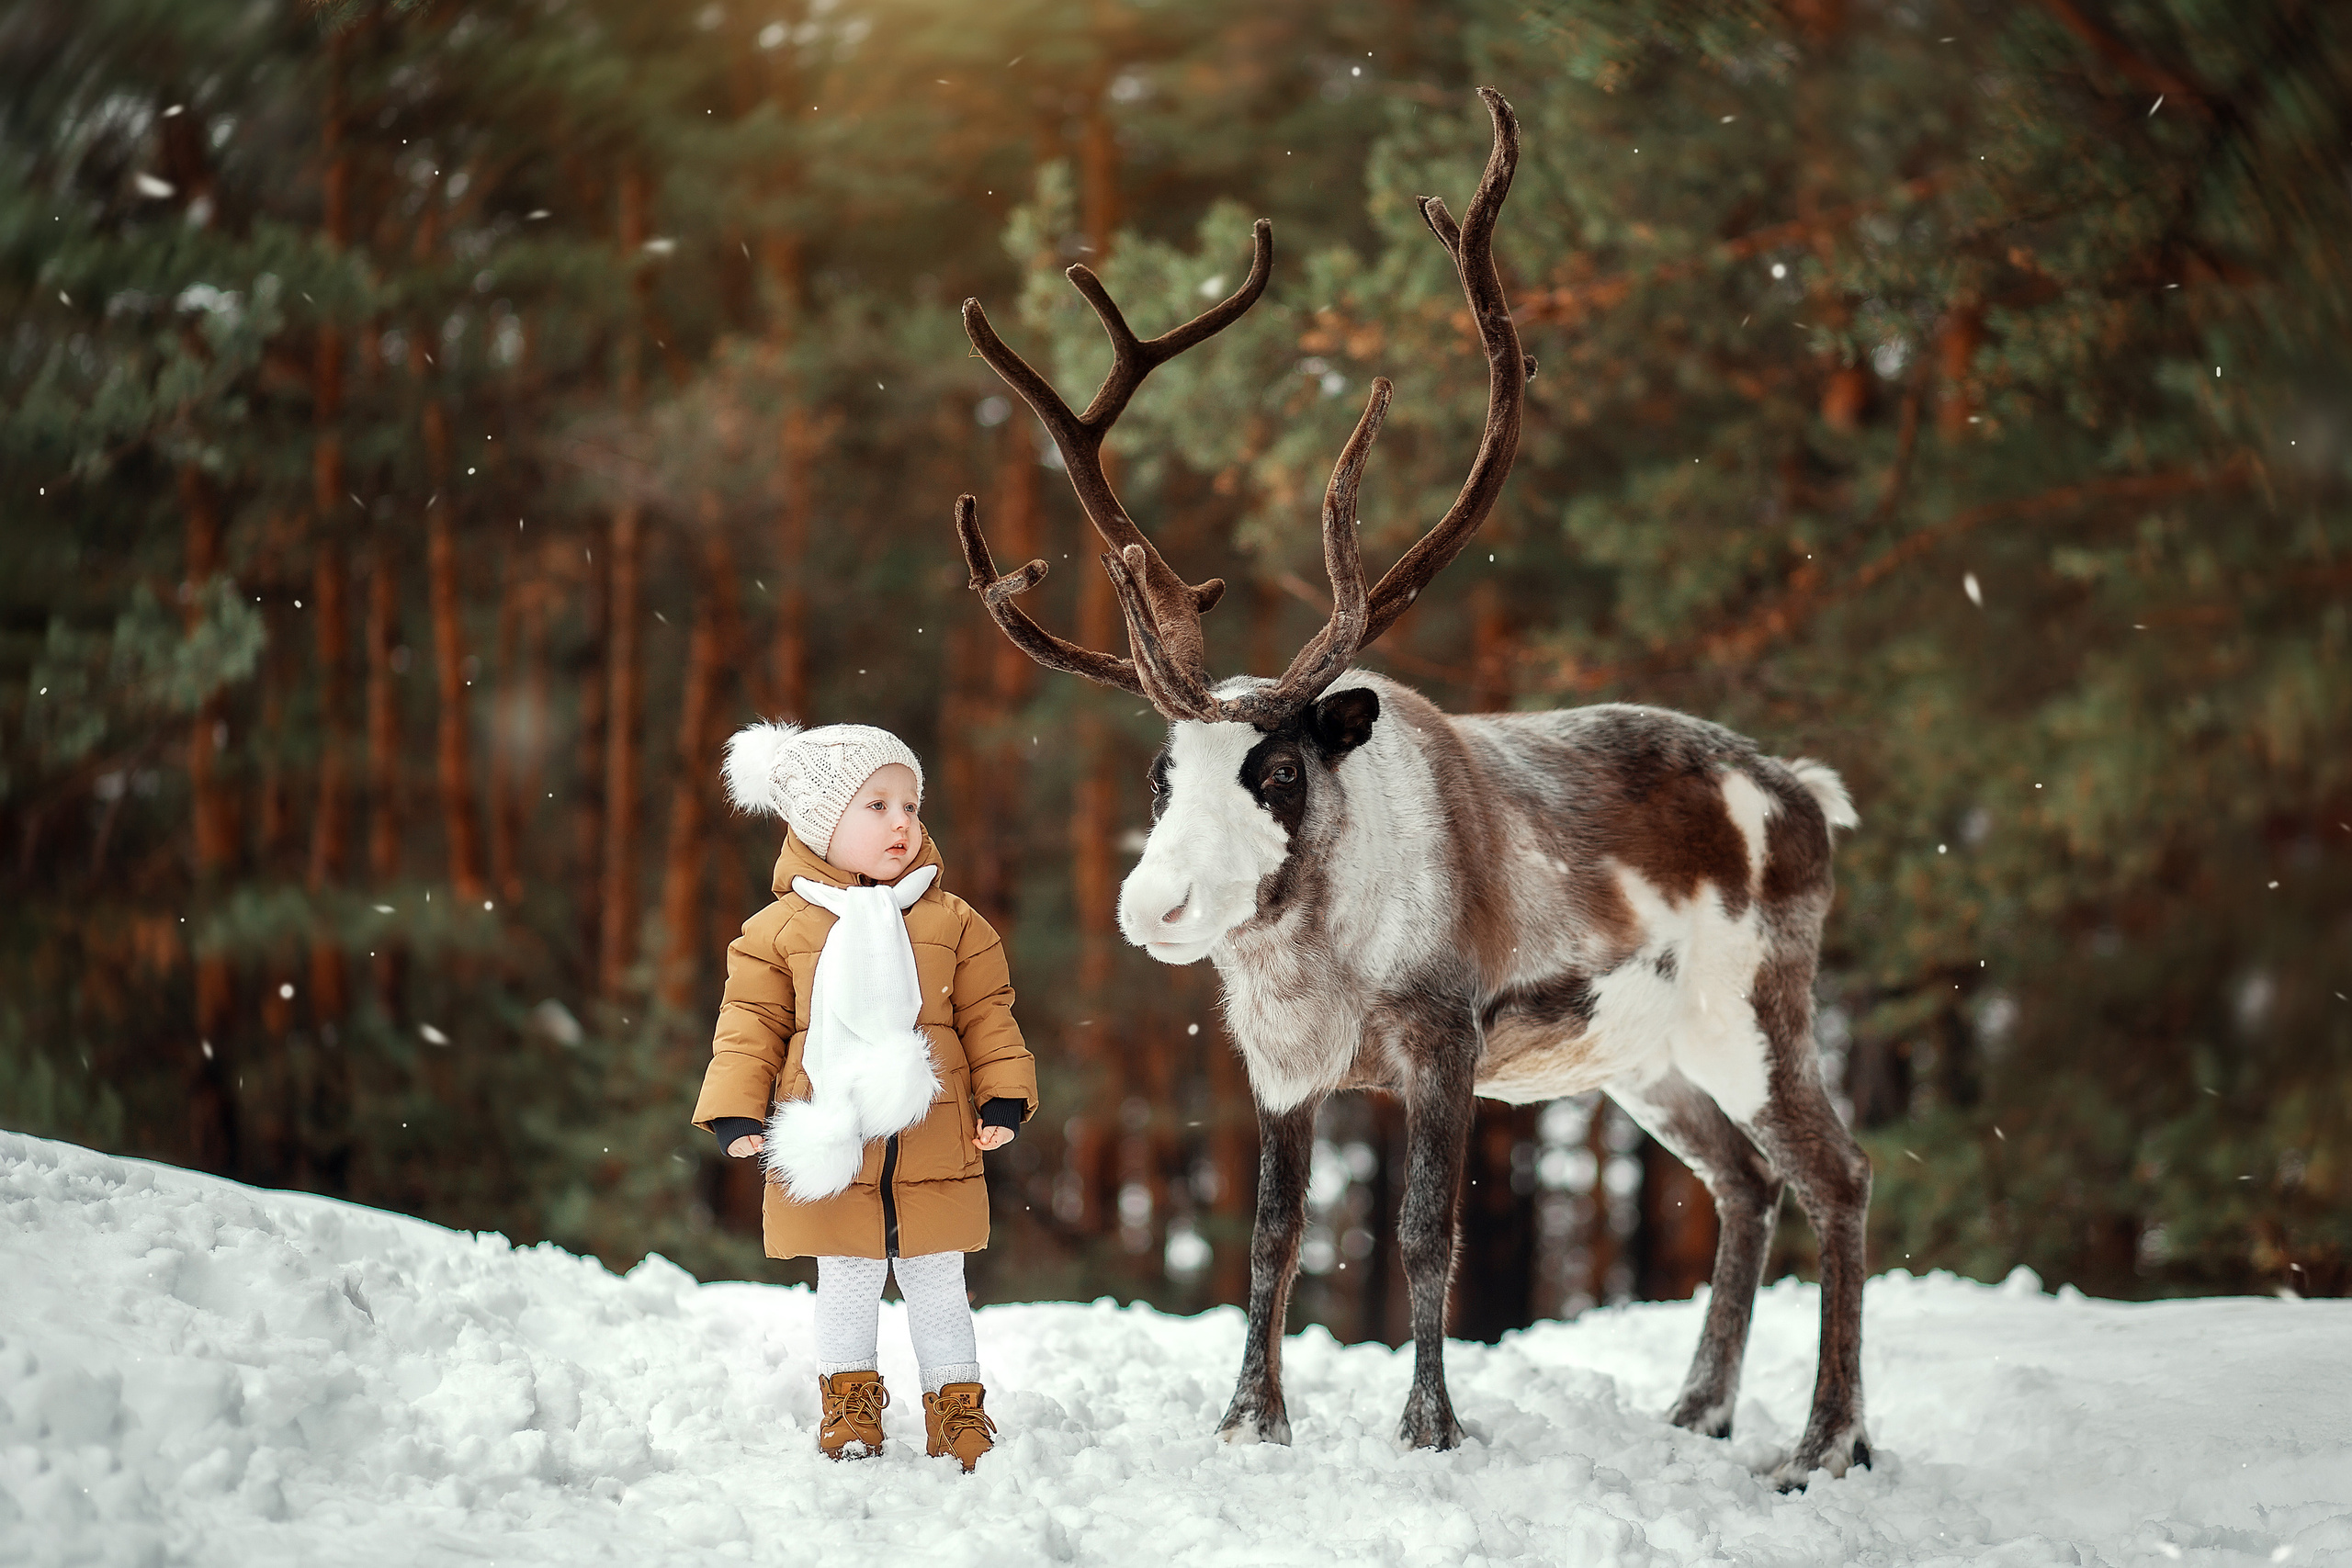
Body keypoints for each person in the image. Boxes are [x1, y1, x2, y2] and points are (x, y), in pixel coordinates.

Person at [693, 720, 1037, 1472]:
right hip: (834, 1135)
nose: (902, 821)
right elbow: (749, 1024)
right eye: (875, 805)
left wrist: (1003, 1097)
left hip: (934, 1135)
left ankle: (957, 1407)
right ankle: (850, 1403)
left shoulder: (954, 922)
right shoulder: (776, 931)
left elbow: (989, 1015)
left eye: (910, 804)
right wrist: (736, 1108)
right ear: (819, 826)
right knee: (847, 1276)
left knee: (938, 1278)